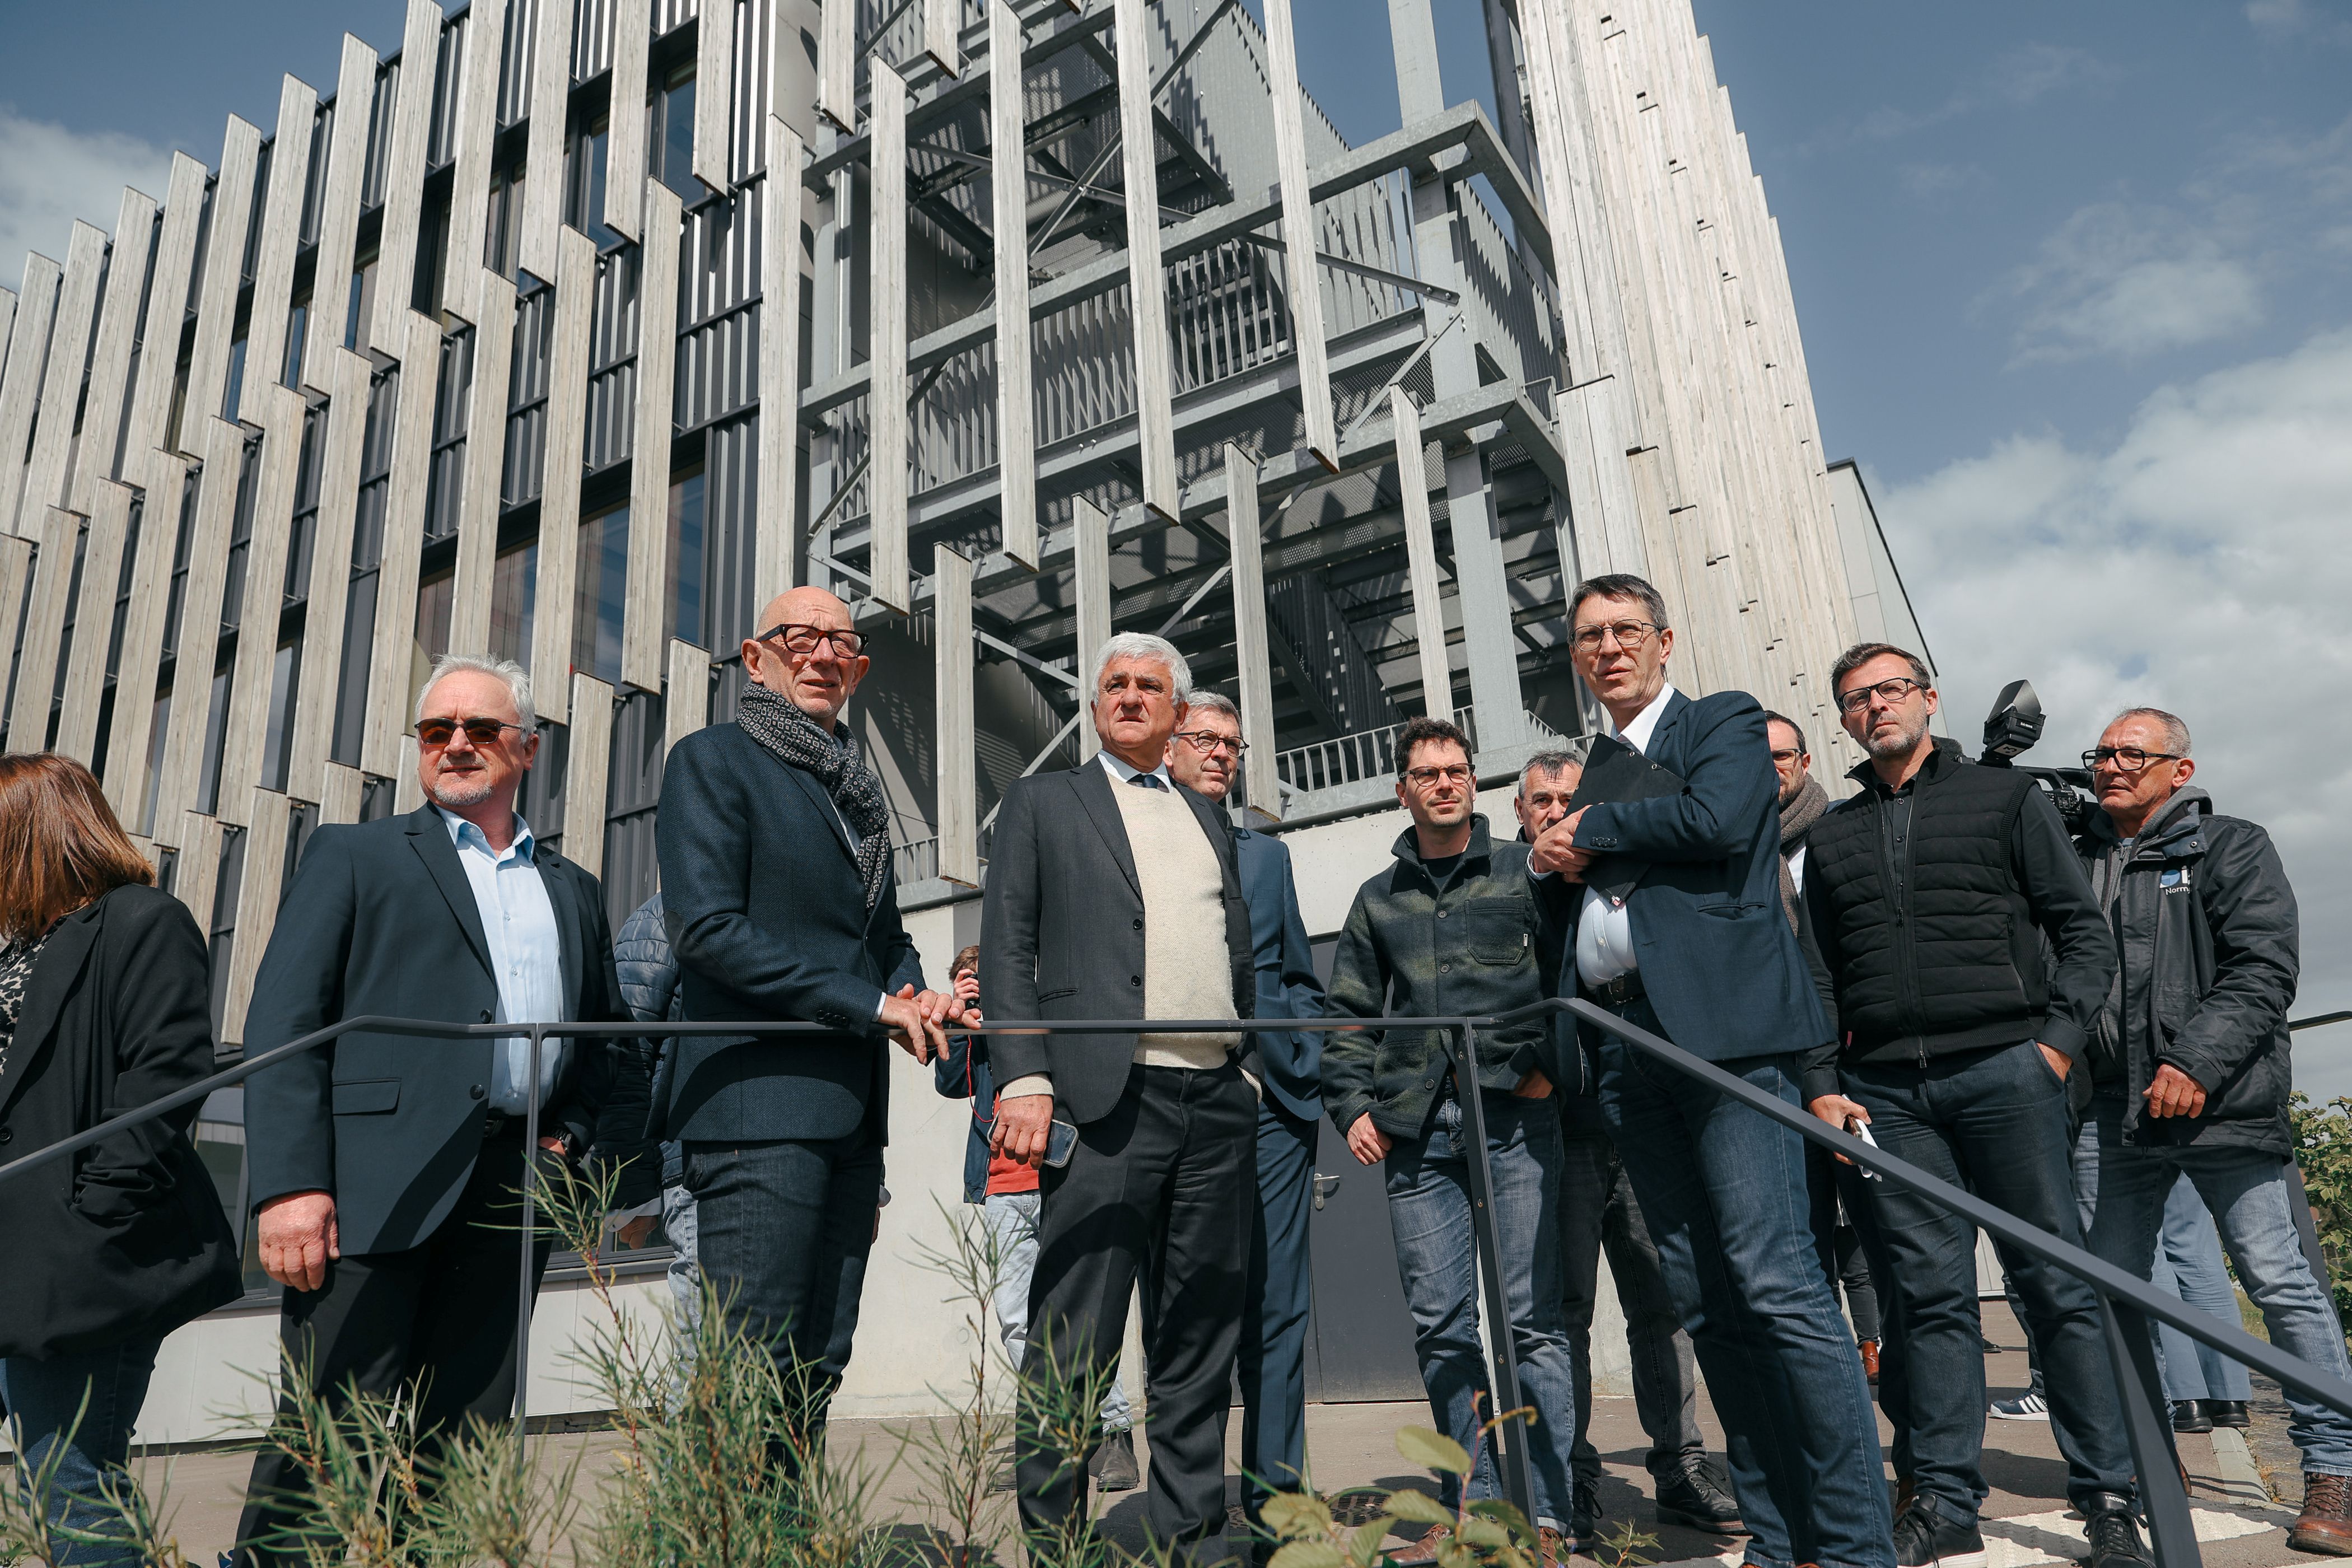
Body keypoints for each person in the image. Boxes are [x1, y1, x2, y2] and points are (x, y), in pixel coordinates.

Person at [238, 655, 642, 1567]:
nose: (456, 744)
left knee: (460, 1442)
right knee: (329, 1435)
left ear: (527, 749)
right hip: (368, 1190)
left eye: (481, 729)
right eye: (437, 731)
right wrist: (291, 1185)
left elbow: (607, 1040)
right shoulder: (355, 854)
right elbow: (286, 1022)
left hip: (517, 1190)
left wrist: (576, 1143)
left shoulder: (572, 888)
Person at [1527, 573, 1892, 1568]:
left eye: (1624, 631)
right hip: (1626, 1050)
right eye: (1589, 636)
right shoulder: (1599, 760)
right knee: (1709, 1307)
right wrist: (1542, 860)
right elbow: (1571, 884)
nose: (1607, 648)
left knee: (1778, 1285)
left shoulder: (1719, 723)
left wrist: (1586, 834)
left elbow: (1723, 822)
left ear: (1664, 640)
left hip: (1728, 1042)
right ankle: (1782, 1543)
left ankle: (1858, 1546)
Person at [1799, 643, 2148, 1568]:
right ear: (1843, 720)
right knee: (1926, 1299)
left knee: (2052, 1284)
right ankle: (1946, 1498)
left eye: (1889, 690)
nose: (1875, 708)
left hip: (2008, 1071)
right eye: (1856, 699)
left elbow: (2082, 933)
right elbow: (1821, 977)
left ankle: (2109, 1492)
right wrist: (1822, 1086)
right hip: (1888, 1096)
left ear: (1927, 698)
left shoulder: (2007, 802)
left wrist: (2052, 1050)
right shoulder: (1830, 836)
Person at [656, 586, 955, 1466]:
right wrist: (871, 1006)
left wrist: (916, 992)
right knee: (750, 1373)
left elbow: (886, 940)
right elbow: (708, 932)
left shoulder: (857, 795)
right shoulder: (713, 762)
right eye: (802, 638)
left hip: (853, 1118)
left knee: (816, 1368)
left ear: (860, 671)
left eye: (843, 644)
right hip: (757, 1114)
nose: (824, 655)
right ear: (758, 659)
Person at [981, 631, 1258, 1565]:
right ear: (1094, 705)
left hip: (1215, 1102)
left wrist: (1246, 1065)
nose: (1132, 697)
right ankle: (1059, 1546)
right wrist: (1023, 1073)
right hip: (1105, 1102)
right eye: (1115, 685)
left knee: (1198, 1332)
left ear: (1177, 712)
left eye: (1150, 686)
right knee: (1073, 1335)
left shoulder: (1207, 813)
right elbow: (1008, 943)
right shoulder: (1043, 801)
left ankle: (1190, 1533)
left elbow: (1237, 951)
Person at [2073, 707, 2352, 1552]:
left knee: (2279, 1281)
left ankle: (2337, 1471)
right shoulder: (2075, 854)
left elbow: (2265, 967)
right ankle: (2143, 1463)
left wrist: (2193, 1064)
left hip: (2219, 1102)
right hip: (2105, 1111)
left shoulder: (2231, 846)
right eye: (2103, 753)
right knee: (2107, 1289)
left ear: (2179, 772)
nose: (2113, 765)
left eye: (2134, 753)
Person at [1323, 716, 1583, 1564]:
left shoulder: (1526, 871)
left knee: (1531, 1321)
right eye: (1427, 773)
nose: (1445, 782)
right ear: (1402, 790)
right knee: (1442, 1325)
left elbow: (1570, 973)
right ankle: (1469, 1509)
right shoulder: (1378, 896)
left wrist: (1549, 1064)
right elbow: (1351, 1013)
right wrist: (1352, 1104)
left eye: (1458, 770)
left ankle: (1545, 1515)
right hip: (1414, 1128)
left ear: (1475, 783)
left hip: (1514, 1113)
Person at [0, 755, 242, 1568]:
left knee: (69, 1477)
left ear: (33, 832)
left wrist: (89, 1215)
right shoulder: (21, 947)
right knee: (54, 1475)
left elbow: (166, 1077)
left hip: (76, 1259)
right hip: (15, 1257)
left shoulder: (140, 921)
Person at [1514, 750, 1743, 1537]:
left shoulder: (1632, 878)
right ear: (1521, 816)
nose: (1555, 810)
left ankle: (1679, 1466)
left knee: (1665, 1303)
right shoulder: (1517, 893)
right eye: (1541, 799)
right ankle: (1571, 1479)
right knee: (1563, 1312)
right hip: (1560, 1135)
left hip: (1644, 1119)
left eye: (1570, 798)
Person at [1165, 691, 1329, 1552]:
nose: (1224, 754)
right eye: (1206, 740)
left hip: (1271, 1108)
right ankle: (1189, 1515)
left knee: (1278, 1314)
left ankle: (1279, 1513)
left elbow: (1299, 971)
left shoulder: (1267, 858)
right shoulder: (1136, 842)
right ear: (1168, 746)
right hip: (1177, 1102)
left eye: (1235, 742)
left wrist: (1293, 1055)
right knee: (1192, 1316)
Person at [931, 945, 1138, 1493]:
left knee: (1077, 1315)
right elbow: (949, 1082)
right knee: (1016, 1321)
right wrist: (961, 1016)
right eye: (968, 979)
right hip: (999, 1191)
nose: (979, 985)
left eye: (983, 978)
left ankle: (1113, 1430)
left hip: (1056, 1181)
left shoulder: (1038, 1015)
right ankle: (1062, 1428)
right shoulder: (977, 1041)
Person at [1765, 711, 1889, 1393]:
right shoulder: (1738, 849)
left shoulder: (1840, 833)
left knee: (1874, 1237)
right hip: (1776, 1066)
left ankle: (1890, 1379)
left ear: (1805, 761)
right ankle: (1833, 1388)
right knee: (1804, 1246)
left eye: (1780, 756)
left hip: (1850, 1065)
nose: (1769, 769)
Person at [612, 891, 697, 1328]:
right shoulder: (663, 917)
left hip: (813, 1161)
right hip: (697, 1168)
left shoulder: (806, 905)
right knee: (709, 1351)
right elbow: (627, 1057)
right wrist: (632, 1193)